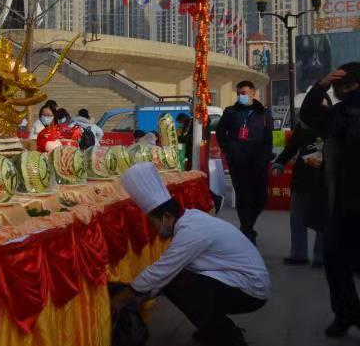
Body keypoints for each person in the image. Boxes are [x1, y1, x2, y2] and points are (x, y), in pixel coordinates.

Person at [111, 163, 269, 346]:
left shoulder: (191, 231)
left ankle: (229, 337)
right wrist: (142, 295)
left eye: (153, 223)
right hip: (237, 281)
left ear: (167, 218)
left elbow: (163, 270)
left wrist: (123, 296)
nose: (154, 230)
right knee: (176, 281)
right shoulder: (189, 219)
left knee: (179, 283)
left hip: (250, 290)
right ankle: (213, 328)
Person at [300, 63, 360, 338]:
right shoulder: (338, 114)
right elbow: (309, 114)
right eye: (335, 85)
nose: (338, 90)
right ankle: (346, 314)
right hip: (340, 204)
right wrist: (321, 85)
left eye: (341, 84)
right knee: (335, 262)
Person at [215, 81, 273, 244]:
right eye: (239, 93)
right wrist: (228, 148)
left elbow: (268, 136)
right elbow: (220, 132)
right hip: (238, 160)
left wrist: (267, 156)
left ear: (253, 93)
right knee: (243, 195)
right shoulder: (231, 112)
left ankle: (248, 225)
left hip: (258, 160)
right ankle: (247, 230)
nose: (242, 96)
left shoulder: (264, 113)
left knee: (261, 196)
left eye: (245, 93)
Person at [271, 110, 328, 268]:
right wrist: (280, 163)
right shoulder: (305, 126)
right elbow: (291, 148)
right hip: (307, 179)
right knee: (302, 218)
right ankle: (305, 254)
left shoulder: (329, 124)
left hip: (319, 180)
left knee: (316, 219)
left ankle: (315, 255)